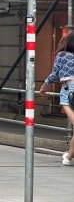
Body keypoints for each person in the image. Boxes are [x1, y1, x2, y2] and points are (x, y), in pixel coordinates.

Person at [39, 31, 74, 166]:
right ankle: (69, 157)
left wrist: (43, 87)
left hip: (69, 90)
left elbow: (54, 74)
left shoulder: (63, 55)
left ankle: (69, 157)